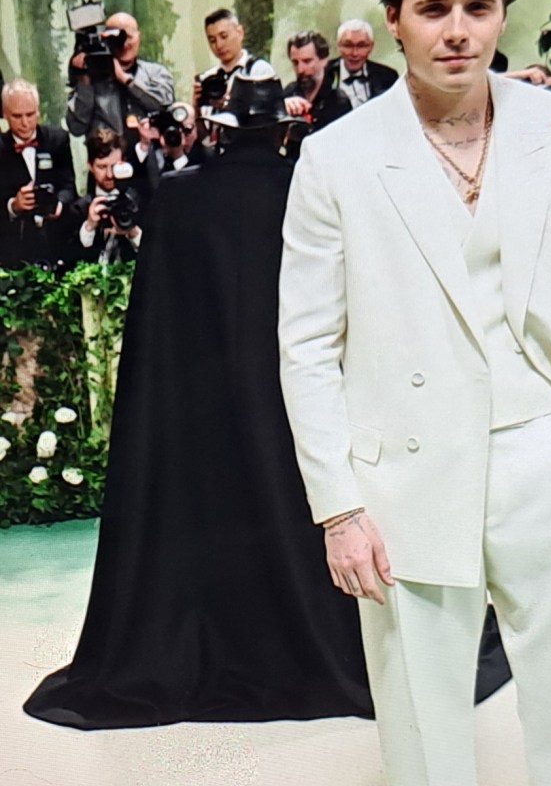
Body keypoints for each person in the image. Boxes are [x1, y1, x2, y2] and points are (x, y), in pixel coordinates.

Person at [279, 0, 551, 786]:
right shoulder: (337, 158)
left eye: (477, 7)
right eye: (433, 7)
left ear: (502, 13)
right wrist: (338, 508)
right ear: (394, 19)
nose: (457, 30)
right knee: (421, 728)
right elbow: (307, 345)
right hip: (403, 475)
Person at [23, 75, 509, 730]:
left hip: (201, 408)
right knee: (304, 503)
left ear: (220, 129)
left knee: (218, 517)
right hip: (298, 395)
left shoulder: (180, 196)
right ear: (284, 128)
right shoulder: (310, 186)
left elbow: (159, 320)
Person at [0, 78, 76, 268]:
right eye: (17, 116)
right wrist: (13, 206)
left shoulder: (58, 139)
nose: (25, 123)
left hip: (56, 240)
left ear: (38, 112)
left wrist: (58, 204)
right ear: (5, 114)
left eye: (30, 114)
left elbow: (69, 186)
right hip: (14, 247)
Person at [65, 11, 174, 142]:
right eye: (117, 38)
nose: (125, 44)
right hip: (108, 152)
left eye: (129, 37)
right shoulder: (93, 80)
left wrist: (126, 80)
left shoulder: (155, 73)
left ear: (138, 37)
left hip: (151, 150)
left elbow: (166, 107)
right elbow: (76, 128)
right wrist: (84, 83)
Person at [66, 128, 142, 265]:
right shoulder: (79, 208)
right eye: (102, 167)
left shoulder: (138, 201)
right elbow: (71, 258)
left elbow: (155, 252)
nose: (109, 174)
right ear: (90, 166)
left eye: (114, 166)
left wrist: (133, 231)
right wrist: (89, 226)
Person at [194, 7, 276, 112]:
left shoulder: (259, 71)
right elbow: (202, 121)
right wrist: (196, 107)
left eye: (224, 36)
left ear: (239, 32)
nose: (219, 45)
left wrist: (231, 103)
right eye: (212, 40)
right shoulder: (208, 79)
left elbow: (267, 114)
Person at [327, 19, 399, 106]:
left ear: (371, 47)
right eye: (348, 45)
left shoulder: (388, 76)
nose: (354, 53)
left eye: (361, 46)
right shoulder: (323, 74)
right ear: (338, 46)